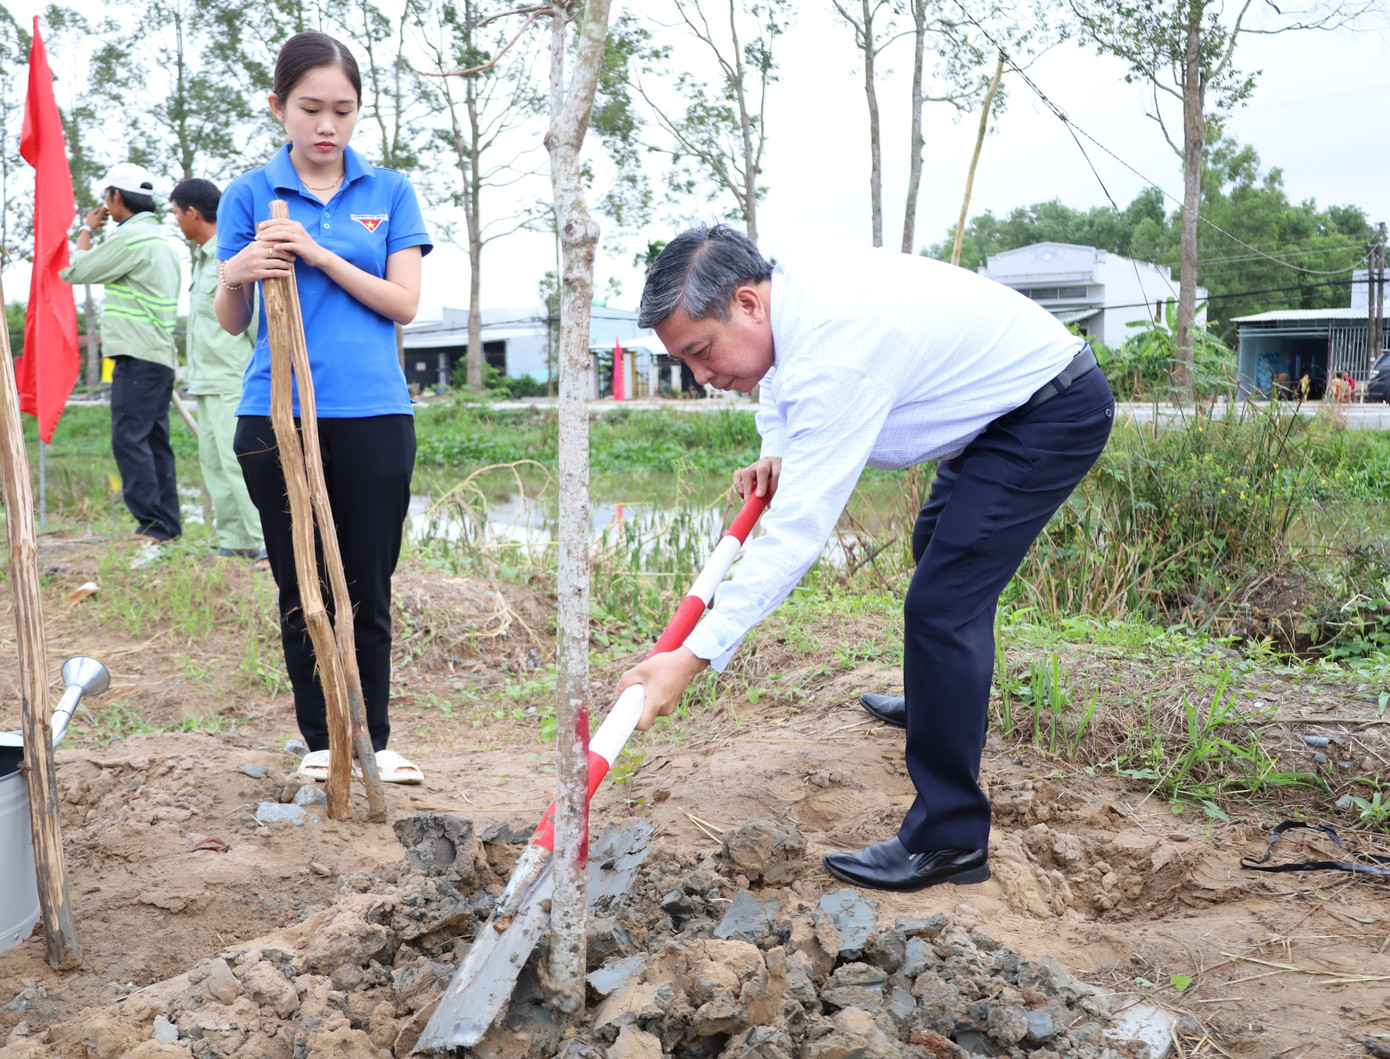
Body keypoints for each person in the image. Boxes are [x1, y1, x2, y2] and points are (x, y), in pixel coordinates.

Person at [616, 224, 1115, 892]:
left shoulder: (838, 347)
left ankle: (950, 838)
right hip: (995, 415)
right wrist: (776, 443)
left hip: (1045, 412)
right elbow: (775, 380)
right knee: (934, 550)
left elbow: (795, 537)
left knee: (942, 606)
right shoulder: (787, 293)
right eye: (688, 362)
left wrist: (692, 656)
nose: (702, 377)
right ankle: (939, 698)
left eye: (702, 353)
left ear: (748, 304)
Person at [214, 31, 431, 784]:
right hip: (277, 418)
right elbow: (232, 320)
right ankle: (319, 740)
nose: (327, 125)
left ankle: (373, 733)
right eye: (310, 108)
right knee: (299, 582)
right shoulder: (251, 193)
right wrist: (236, 271)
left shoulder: (390, 192)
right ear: (279, 107)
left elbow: (403, 304)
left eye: (343, 109)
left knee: (367, 581)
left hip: (373, 414)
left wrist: (318, 251)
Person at [60, 163, 182, 542]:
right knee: (154, 440)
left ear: (116, 196)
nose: (106, 208)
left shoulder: (130, 238)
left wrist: (85, 230)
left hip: (137, 355)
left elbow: (75, 270)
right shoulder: (160, 240)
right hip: (158, 355)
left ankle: (151, 525)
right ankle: (167, 526)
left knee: (129, 438)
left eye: (107, 199)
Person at [169, 178, 267, 568]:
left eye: (176, 213)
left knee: (239, 463)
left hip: (233, 378)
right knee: (213, 463)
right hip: (206, 380)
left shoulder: (232, 255)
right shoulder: (200, 259)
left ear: (193, 212)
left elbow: (257, 321)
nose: (176, 221)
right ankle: (235, 541)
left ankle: (264, 544)